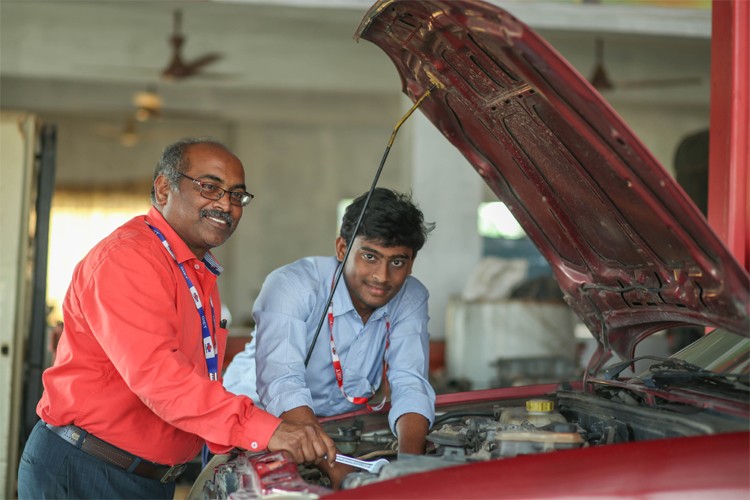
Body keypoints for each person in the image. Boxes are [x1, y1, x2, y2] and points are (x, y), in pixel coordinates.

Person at [17, 138, 336, 500]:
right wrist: (262, 429)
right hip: (89, 470)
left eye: (236, 195)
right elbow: (159, 377)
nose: (225, 205)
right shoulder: (129, 259)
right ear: (164, 188)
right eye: (209, 187)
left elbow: (191, 377)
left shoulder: (195, 269)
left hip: (147, 477)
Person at [223, 187, 437, 488]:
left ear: (411, 263)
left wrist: (407, 474)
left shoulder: (411, 297)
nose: (382, 276)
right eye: (370, 256)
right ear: (341, 248)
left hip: (335, 429)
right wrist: (336, 471)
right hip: (256, 423)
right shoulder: (293, 286)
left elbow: (410, 382)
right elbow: (283, 385)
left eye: (397, 262)